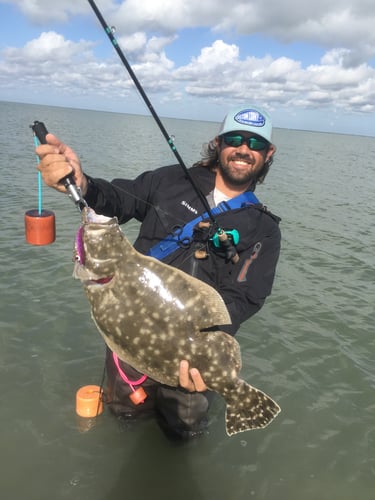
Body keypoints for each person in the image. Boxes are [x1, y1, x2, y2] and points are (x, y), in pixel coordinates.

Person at [36, 104, 281, 439]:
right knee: (125, 412)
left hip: (191, 355)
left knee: (183, 430)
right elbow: (118, 201)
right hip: (131, 332)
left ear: (268, 153)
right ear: (219, 143)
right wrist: (82, 183)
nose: (243, 149)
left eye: (254, 143)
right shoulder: (170, 180)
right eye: (235, 139)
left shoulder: (263, 228)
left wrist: (203, 349)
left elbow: (246, 296)